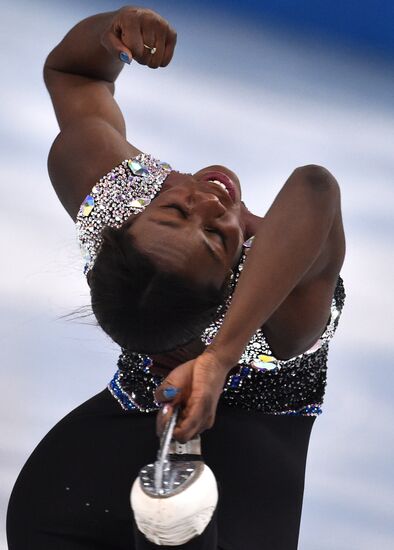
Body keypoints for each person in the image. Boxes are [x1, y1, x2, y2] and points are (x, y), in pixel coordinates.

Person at [6, 6, 346, 550]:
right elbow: (314, 189)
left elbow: (76, 75)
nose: (208, 202)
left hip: (150, 490)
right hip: (97, 501)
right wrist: (220, 358)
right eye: (213, 237)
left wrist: (112, 33)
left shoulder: (118, 202)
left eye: (177, 214)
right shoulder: (281, 318)